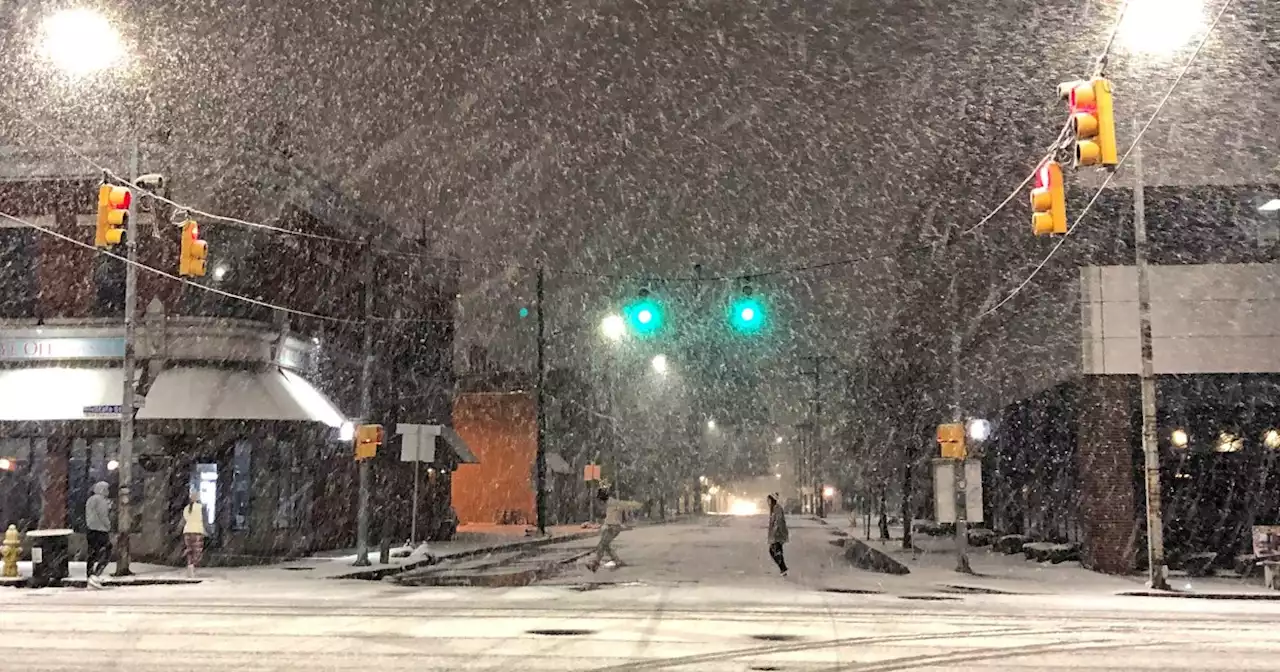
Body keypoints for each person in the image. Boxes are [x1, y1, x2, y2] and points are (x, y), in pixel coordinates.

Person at [587, 487, 641, 572]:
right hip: (615, 527)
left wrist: (607, 525)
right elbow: (623, 511)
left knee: (602, 544)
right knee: (606, 545)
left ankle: (595, 563)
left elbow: (611, 518)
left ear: (602, 498)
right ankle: (617, 561)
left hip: (612, 527)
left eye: (599, 499)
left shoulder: (610, 504)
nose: (599, 502)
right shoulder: (613, 503)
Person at [84, 481, 112, 588]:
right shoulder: (101, 500)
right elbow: (103, 515)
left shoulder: (90, 499)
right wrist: (108, 525)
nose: (108, 492)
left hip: (90, 530)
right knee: (107, 551)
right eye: (107, 489)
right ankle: (96, 574)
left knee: (92, 553)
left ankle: (90, 574)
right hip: (101, 530)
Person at [181, 490, 206, 578]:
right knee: (197, 551)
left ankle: (190, 567)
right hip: (197, 531)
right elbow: (204, 519)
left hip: (187, 531)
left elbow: (185, 519)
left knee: (190, 550)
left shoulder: (187, 508)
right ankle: (193, 567)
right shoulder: (201, 507)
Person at [767, 493, 789, 576]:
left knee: (775, 551)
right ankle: (783, 568)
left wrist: (776, 531)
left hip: (778, 534)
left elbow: (779, 521)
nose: (768, 502)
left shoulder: (777, 508)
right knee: (776, 551)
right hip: (776, 534)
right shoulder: (773, 509)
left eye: (769, 500)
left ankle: (783, 568)